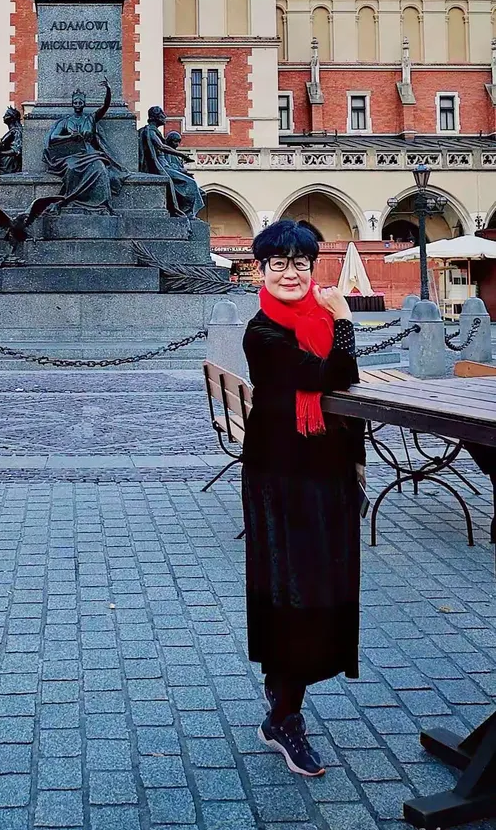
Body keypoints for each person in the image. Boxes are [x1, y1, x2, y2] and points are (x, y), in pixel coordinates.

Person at [242, 220, 363, 778]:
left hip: (327, 474)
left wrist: (356, 469)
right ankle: (284, 715)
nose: (291, 273)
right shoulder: (262, 332)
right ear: (260, 270)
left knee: (322, 587)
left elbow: (343, 386)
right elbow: (329, 372)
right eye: (278, 263)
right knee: (289, 591)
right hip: (281, 479)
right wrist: (343, 320)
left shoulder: (314, 321)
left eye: (301, 262)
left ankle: (284, 708)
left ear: (314, 268)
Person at [44, 81, 127, 211]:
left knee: (100, 167)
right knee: (71, 168)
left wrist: (109, 90)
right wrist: (70, 137)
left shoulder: (91, 118)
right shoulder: (65, 121)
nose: (78, 105)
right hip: (71, 153)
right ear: (72, 104)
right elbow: (53, 138)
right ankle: (69, 199)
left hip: (89, 152)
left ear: (84, 104)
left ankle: (100, 202)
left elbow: (105, 106)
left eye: (80, 102)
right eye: (75, 102)